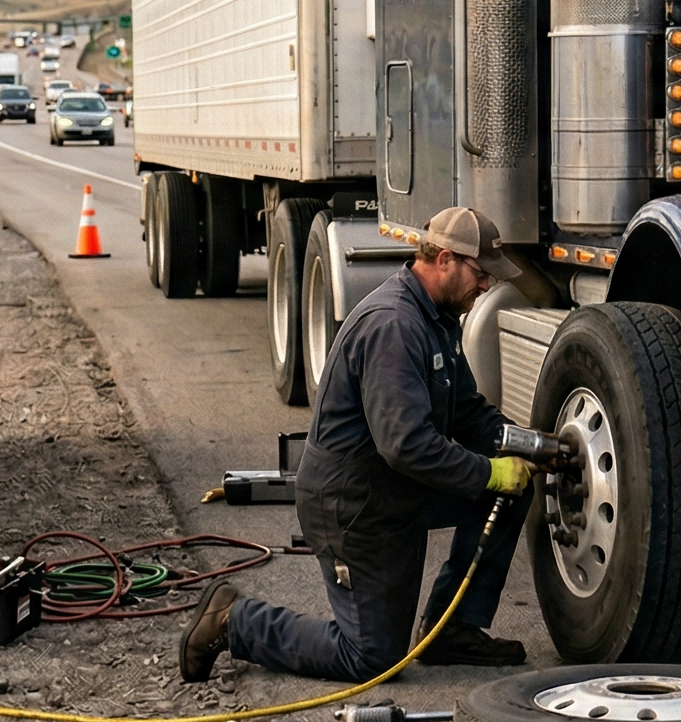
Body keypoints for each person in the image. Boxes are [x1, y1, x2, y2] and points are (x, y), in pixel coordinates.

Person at [181, 205, 539, 683]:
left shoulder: (437, 317)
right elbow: (407, 445)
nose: (486, 284)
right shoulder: (394, 325)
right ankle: (234, 620)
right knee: (371, 658)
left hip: (395, 488)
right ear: (445, 260)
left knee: (511, 491)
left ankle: (452, 630)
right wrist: (490, 471)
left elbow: (467, 411)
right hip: (353, 507)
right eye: (480, 273)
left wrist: (531, 446)